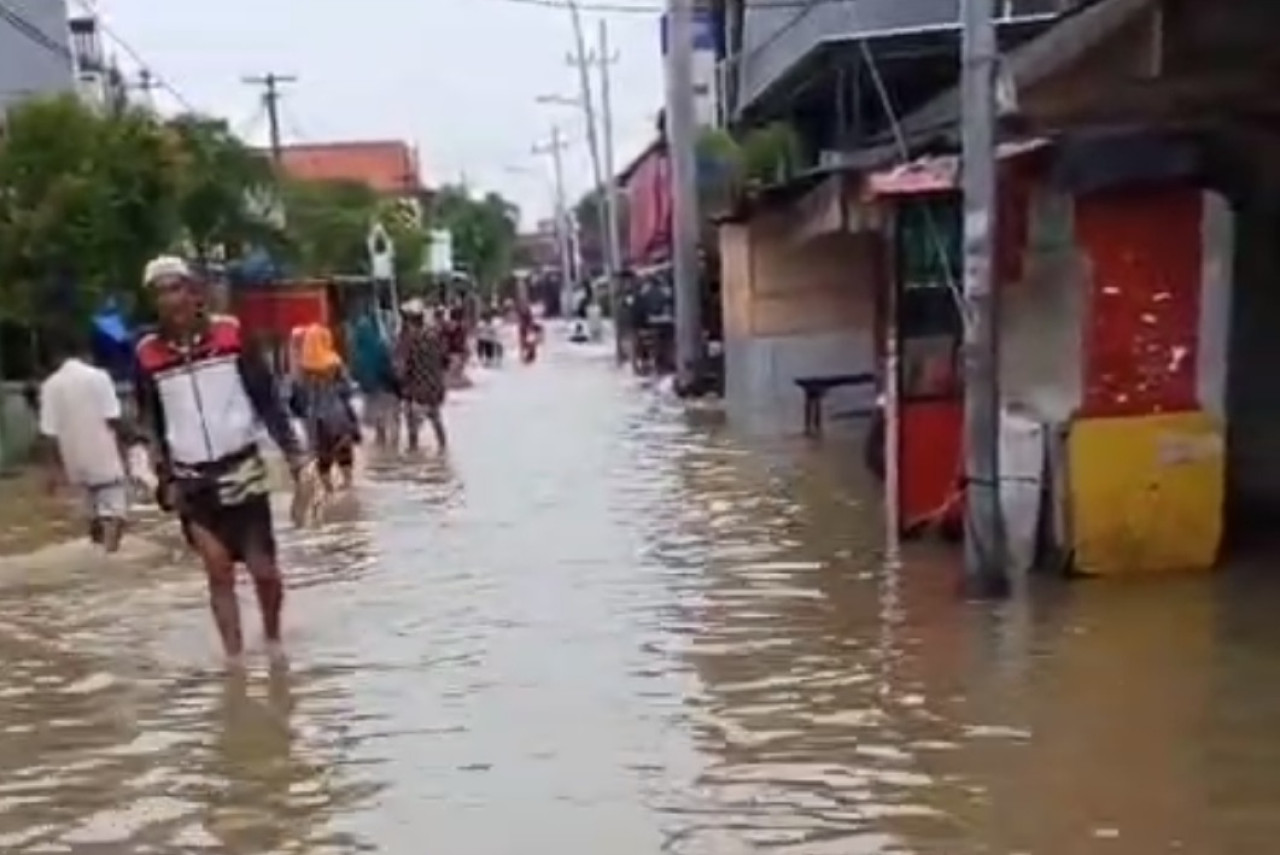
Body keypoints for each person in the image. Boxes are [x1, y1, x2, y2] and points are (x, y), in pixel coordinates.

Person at [133, 255, 307, 667]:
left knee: (265, 571)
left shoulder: (232, 334)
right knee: (218, 569)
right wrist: (161, 475)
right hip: (191, 478)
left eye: (176, 288)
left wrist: (294, 455)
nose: (170, 300)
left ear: (196, 293)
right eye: (160, 293)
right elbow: (149, 420)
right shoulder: (147, 354)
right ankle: (234, 662)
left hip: (243, 468)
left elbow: (267, 400)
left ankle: (273, 642)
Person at [37, 332, 131, 553]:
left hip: (74, 461)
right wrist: (127, 450)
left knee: (92, 511)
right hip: (104, 456)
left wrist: (53, 473)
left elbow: (49, 434)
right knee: (115, 511)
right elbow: (113, 418)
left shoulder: (50, 385)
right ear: (84, 353)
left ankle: (97, 548)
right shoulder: (99, 377)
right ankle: (110, 554)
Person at [291, 324, 360, 492]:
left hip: (316, 419)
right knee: (344, 453)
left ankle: (328, 490)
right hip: (338, 416)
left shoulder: (303, 367)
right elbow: (347, 389)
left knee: (323, 457)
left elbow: (298, 392)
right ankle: (348, 486)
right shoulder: (335, 362)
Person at [394, 299, 448, 453]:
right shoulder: (434, 336)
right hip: (434, 388)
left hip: (416, 391)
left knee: (412, 428)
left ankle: (414, 455)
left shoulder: (409, 340)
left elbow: (402, 368)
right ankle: (443, 452)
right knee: (436, 421)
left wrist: (400, 385)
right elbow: (444, 360)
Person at [349, 314, 398, 446]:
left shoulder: (357, 353)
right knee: (391, 419)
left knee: (378, 421)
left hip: (369, 390)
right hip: (385, 387)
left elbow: (354, 374)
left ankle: (382, 443)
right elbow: (388, 366)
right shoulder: (380, 345)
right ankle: (393, 447)